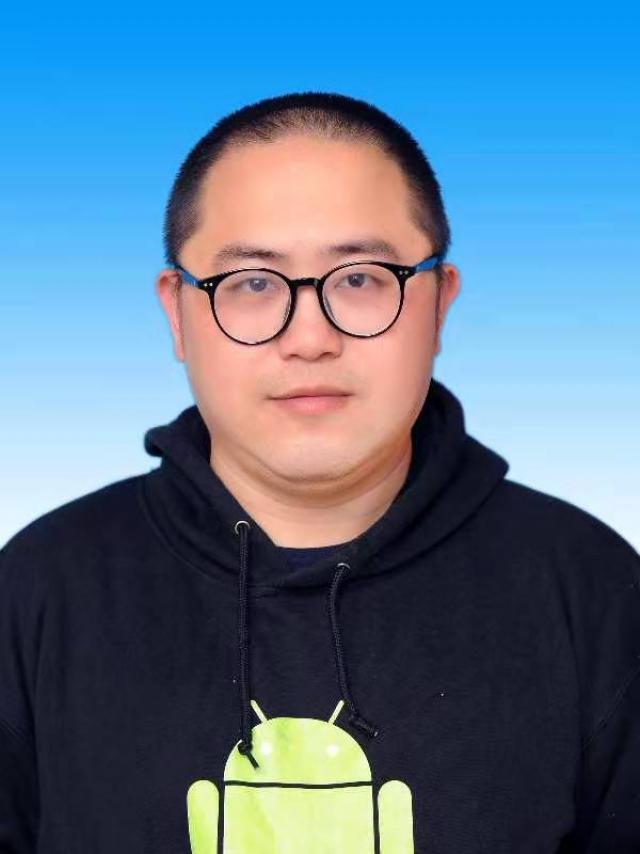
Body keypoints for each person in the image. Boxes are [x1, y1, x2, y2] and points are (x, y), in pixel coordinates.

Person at [1, 90, 638, 854]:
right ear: (177, 313)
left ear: (439, 303)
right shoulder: (39, 590)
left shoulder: (590, 590)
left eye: (360, 278)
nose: (309, 338)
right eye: (253, 283)